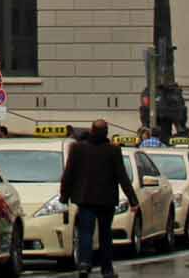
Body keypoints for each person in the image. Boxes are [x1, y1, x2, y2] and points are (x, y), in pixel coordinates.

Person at [60, 119, 138, 278]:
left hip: (85, 198)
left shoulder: (77, 149)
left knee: (85, 232)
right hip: (106, 199)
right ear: (106, 132)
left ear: (91, 130)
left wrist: (64, 196)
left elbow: (69, 174)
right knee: (105, 234)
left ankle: (84, 264)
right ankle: (107, 269)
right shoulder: (113, 151)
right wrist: (133, 200)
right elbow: (122, 176)